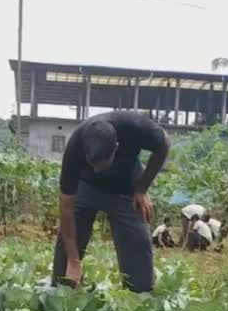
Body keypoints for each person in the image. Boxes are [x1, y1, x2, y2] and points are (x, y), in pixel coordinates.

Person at [53, 111, 170, 293]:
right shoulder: (75, 147)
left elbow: (164, 144)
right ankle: (62, 291)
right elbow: (66, 207)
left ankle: (138, 299)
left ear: (116, 147)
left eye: (102, 165)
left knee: (137, 245)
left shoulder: (135, 127)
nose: (98, 170)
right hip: (86, 187)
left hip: (127, 187)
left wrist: (142, 188)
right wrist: (74, 261)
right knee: (66, 257)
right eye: (93, 165)